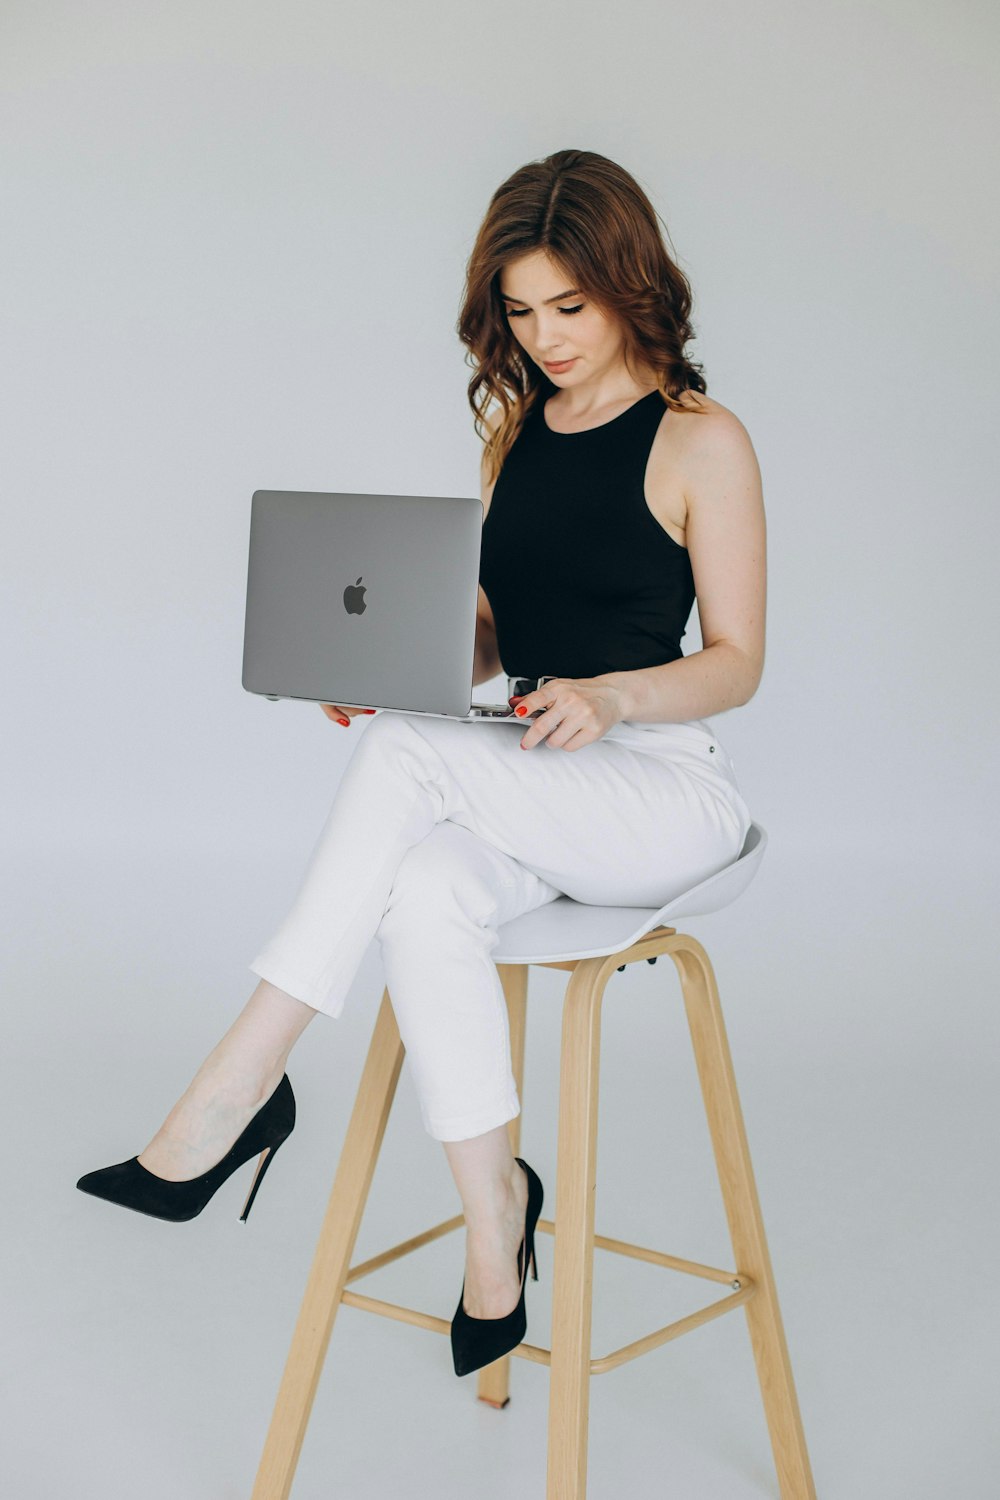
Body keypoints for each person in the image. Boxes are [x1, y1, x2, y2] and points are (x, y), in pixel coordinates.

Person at [77, 148, 766, 1379]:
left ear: (631, 286)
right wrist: (404, 668)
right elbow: (499, 642)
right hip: (534, 771)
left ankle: (235, 1091)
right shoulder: (518, 435)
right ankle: (496, 1224)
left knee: (411, 763)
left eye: (571, 305)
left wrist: (613, 696)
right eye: (519, 310)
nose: (545, 337)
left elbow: (738, 660)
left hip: (662, 787)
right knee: (425, 892)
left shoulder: (700, 439)